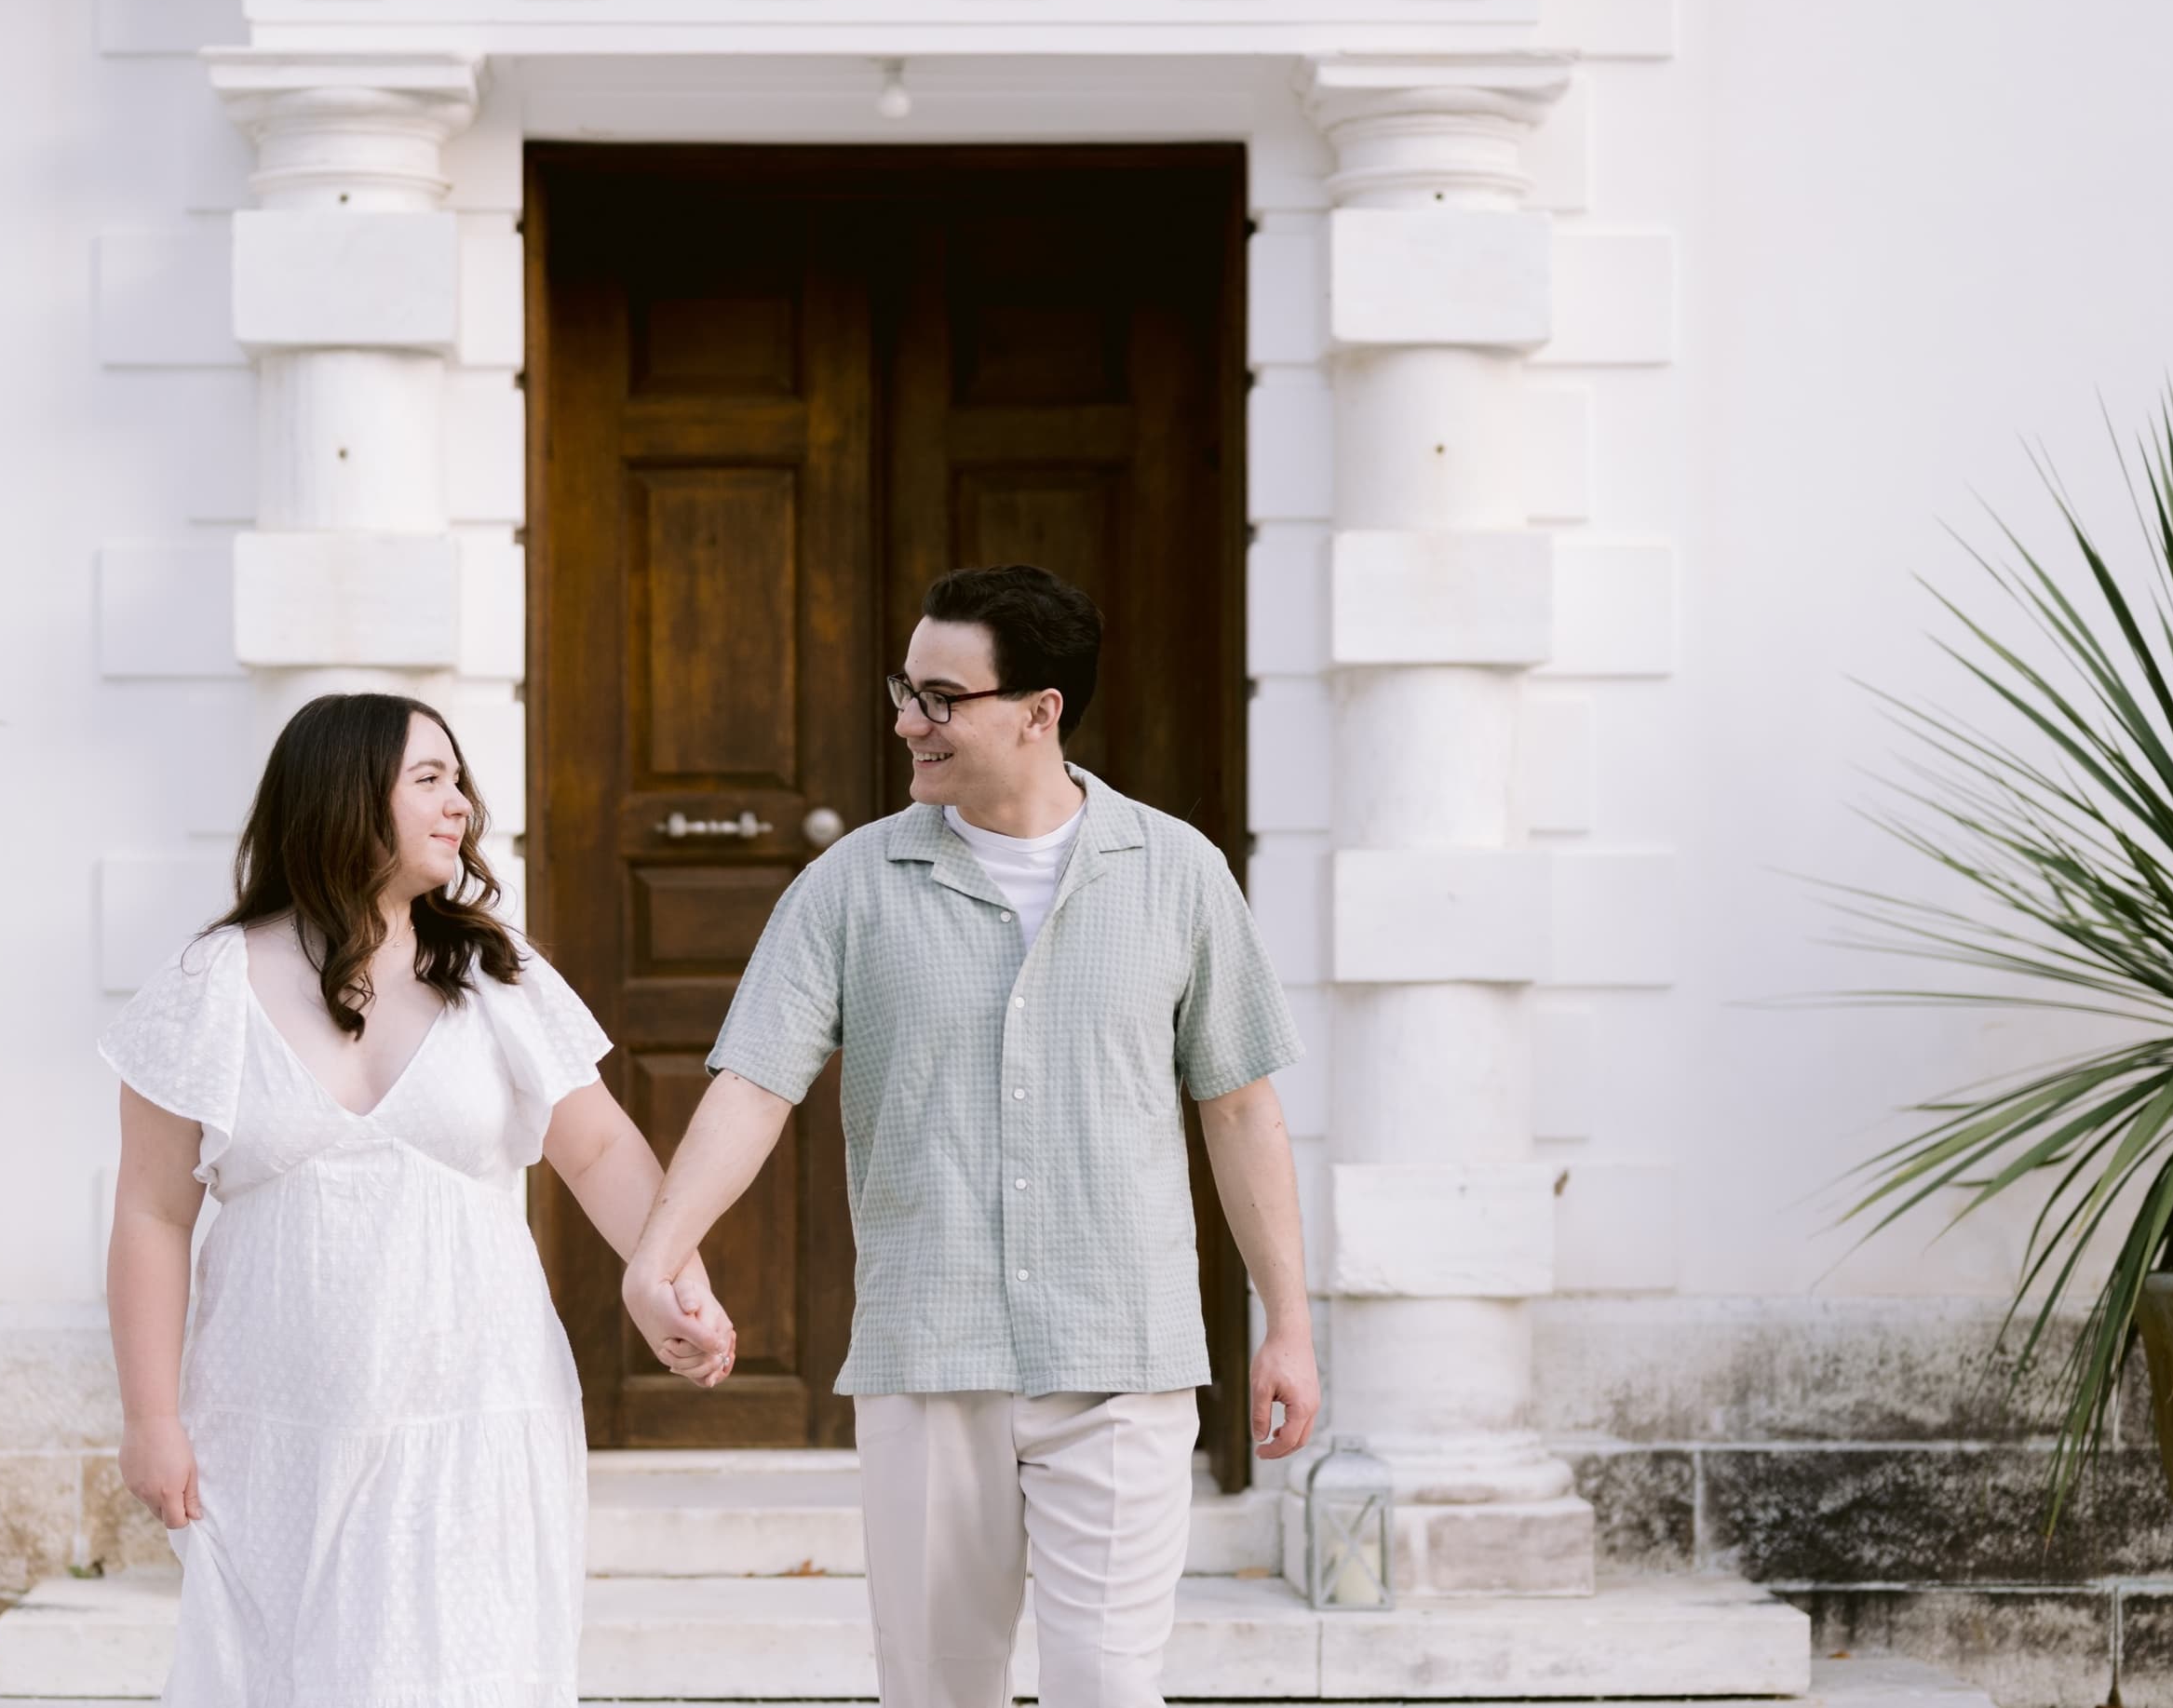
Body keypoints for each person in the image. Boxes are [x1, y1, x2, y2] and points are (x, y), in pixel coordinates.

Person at [623, 565, 1319, 1708]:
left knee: (1111, 1689)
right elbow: (754, 1085)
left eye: (941, 698)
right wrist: (656, 1259)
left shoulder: (1178, 874)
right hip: (929, 1354)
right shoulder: (849, 886)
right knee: (938, 1694)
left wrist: (1287, 1326)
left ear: (1041, 711)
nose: (908, 721)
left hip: (1122, 1353)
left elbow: (1240, 1108)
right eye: (906, 690)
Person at [98, 692, 737, 1708]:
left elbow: (600, 1150)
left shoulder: (497, 976)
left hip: (475, 1410)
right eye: (429, 780)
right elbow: (151, 1214)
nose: (460, 806)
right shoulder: (209, 986)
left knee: (466, 1675)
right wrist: (149, 1418)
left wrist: (675, 1280)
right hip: (276, 1424)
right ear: (345, 797)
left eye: (458, 781)